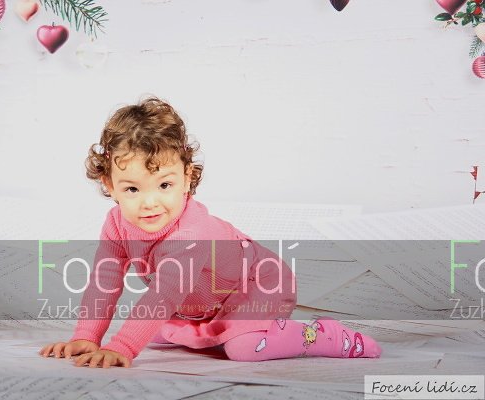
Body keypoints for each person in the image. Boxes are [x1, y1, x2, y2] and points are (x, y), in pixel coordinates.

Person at [39, 96, 381, 368]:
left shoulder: (192, 231)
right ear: (109, 184)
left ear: (187, 177)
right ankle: (214, 330)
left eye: (164, 185)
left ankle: (321, 335)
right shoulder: (116, 223)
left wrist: (123, 347)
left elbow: (164, 295)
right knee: (156, 333)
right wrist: (87, 336)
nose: (149, 203)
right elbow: (104, 280)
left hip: (259, 284)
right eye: (132, 189)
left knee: (244, 349)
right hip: (203, 304)